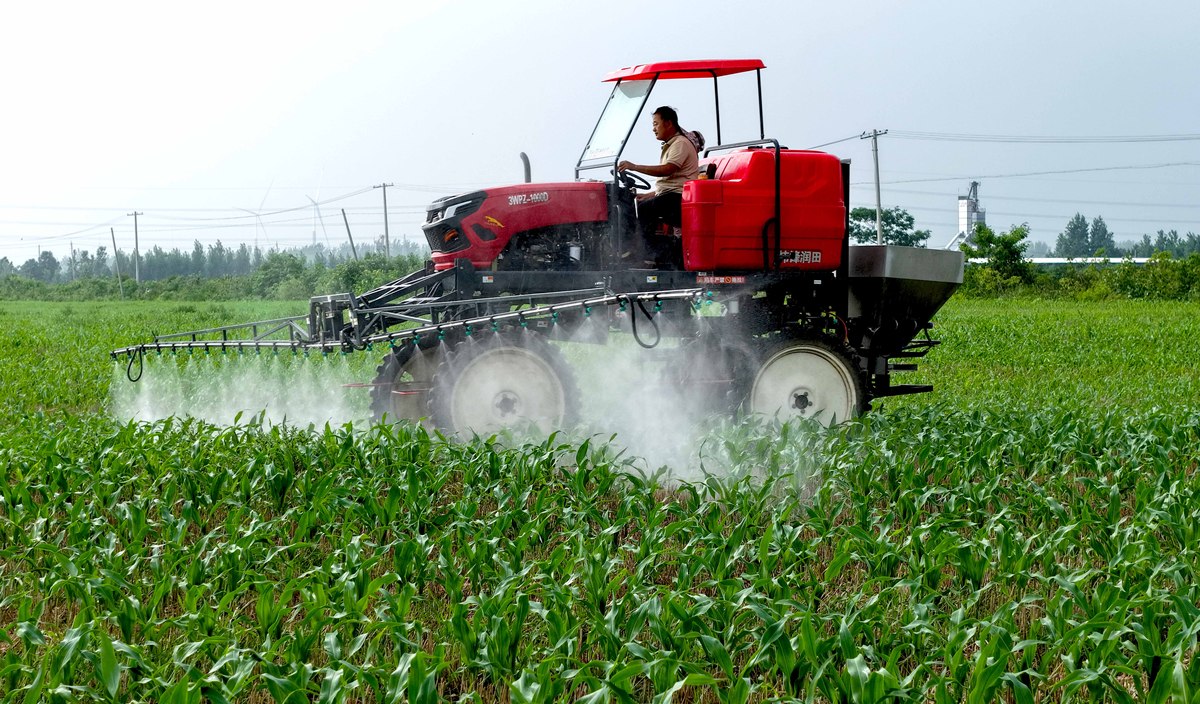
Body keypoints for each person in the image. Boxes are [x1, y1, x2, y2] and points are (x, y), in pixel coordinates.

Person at [617, 106, 702, 267]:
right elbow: (669, 182)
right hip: (671, 195)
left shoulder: (680, 143)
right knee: (639, 204)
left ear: (669, 123)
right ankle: (641, 251)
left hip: (680, 198)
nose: (653, 129)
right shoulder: (672, 144)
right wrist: (649, 195)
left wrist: (634, 166)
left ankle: (653, 254)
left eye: (656, 124)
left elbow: (668, 169)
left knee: (644, 210)